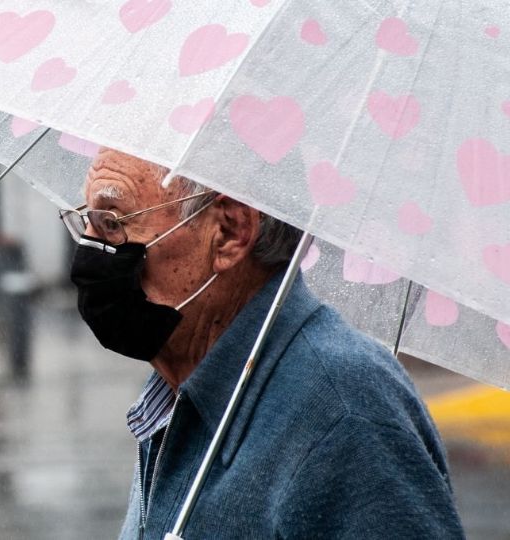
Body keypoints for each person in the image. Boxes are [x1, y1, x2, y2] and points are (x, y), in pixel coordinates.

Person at [63, 149, 464, 538]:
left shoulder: (345, 408)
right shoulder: (178, 389)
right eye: (87, 222)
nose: (88, 248)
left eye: (112, 222)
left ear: (230, 232)